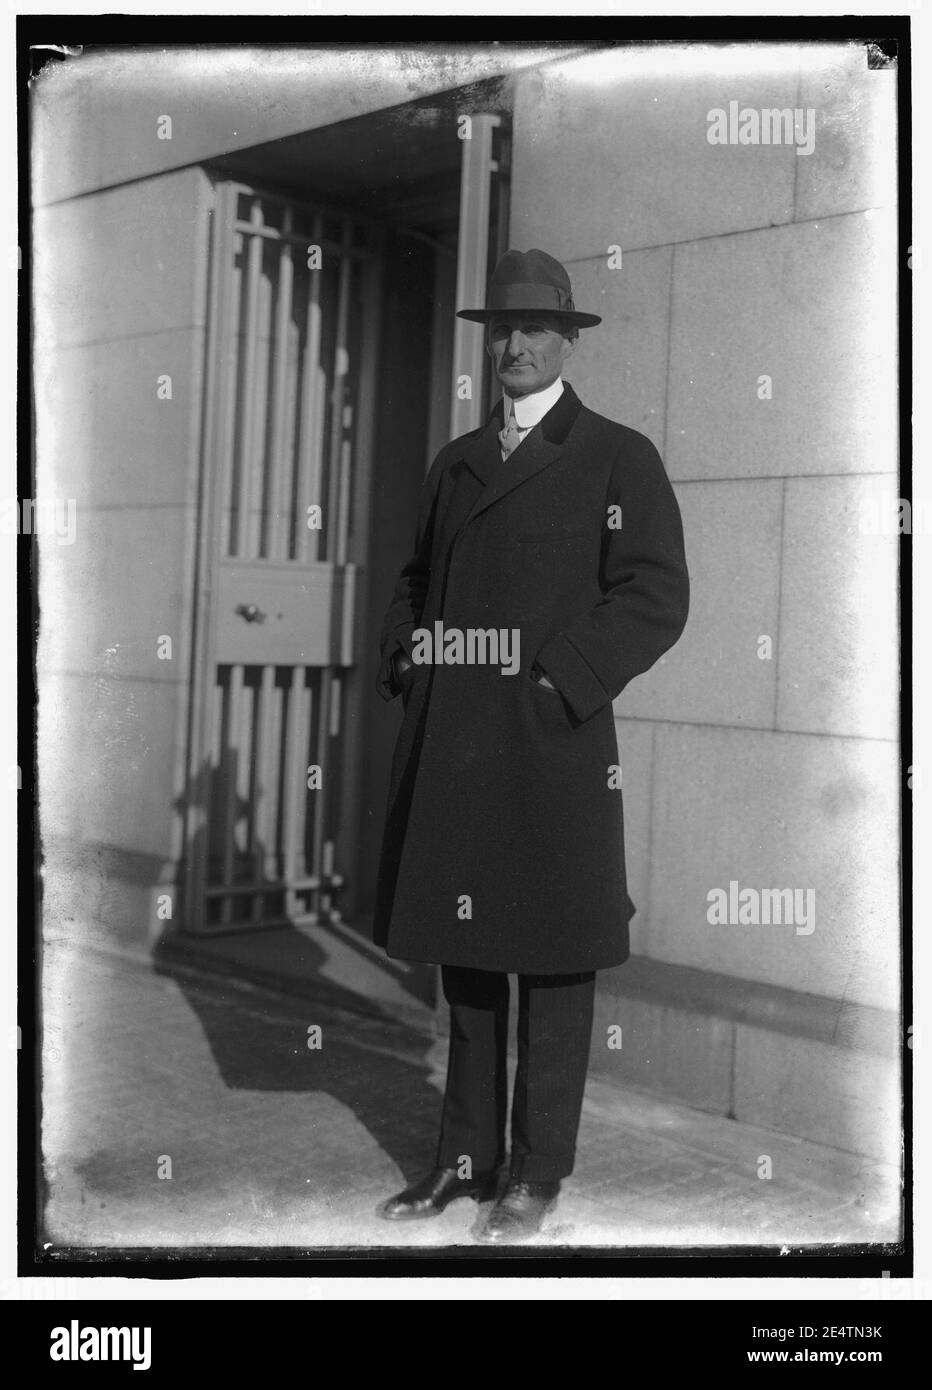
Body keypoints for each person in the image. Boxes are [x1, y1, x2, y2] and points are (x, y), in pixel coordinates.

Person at [373, 248, 690, 1243]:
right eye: (501, 329)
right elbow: (417, 580)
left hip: (552, 752)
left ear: (567, 339)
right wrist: (409, 656)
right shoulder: (453, 464)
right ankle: (463, 1161)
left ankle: (535, 1175)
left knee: (551, 968)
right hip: (459, 750)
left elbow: (652, 594)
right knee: (466, 961)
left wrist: (559, 678)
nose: (515, 344)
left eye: (534, 329)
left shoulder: (615, 456)